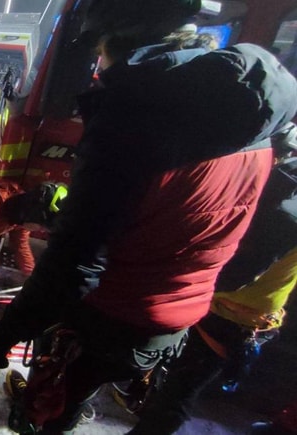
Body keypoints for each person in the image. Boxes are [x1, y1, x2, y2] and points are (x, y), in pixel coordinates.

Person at [0, 0, 297, 433]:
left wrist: (7, 332)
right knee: (84, 388)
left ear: (116, 37)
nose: (97, 65)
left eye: (98, 50)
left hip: (111, 316)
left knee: (51, 407)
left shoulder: (135, 116)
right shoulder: (255, 119)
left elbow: (76, 263)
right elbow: (179, 210)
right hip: (178, 318)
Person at [126, 152, 297, 434]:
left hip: (230, 316)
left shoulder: (283, 214)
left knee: (176, 396)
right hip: (242, 312)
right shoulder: (284, 201)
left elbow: (236, 275)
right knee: (172, 387)